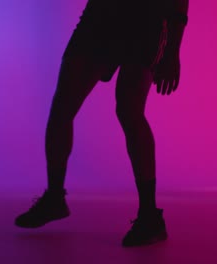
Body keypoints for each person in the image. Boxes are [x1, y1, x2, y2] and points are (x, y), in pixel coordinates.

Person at [15, 0, 189, 247]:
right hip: (102, 16)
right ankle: (54, 197)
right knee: (63, 104)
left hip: (146, 20)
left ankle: (150, 215)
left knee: (129, 110)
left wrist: (172, 51)